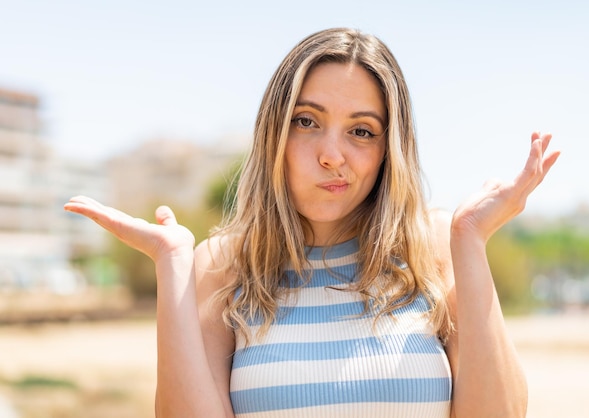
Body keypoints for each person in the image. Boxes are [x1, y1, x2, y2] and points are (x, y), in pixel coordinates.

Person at [64, 28, 559, 417]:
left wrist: (470, 241)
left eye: (361, 131)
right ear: (273, 131)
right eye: (307, 121)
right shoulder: (221, 266)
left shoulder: (433, 247)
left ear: (390, 151)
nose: (332, 156)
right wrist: (172, 266)